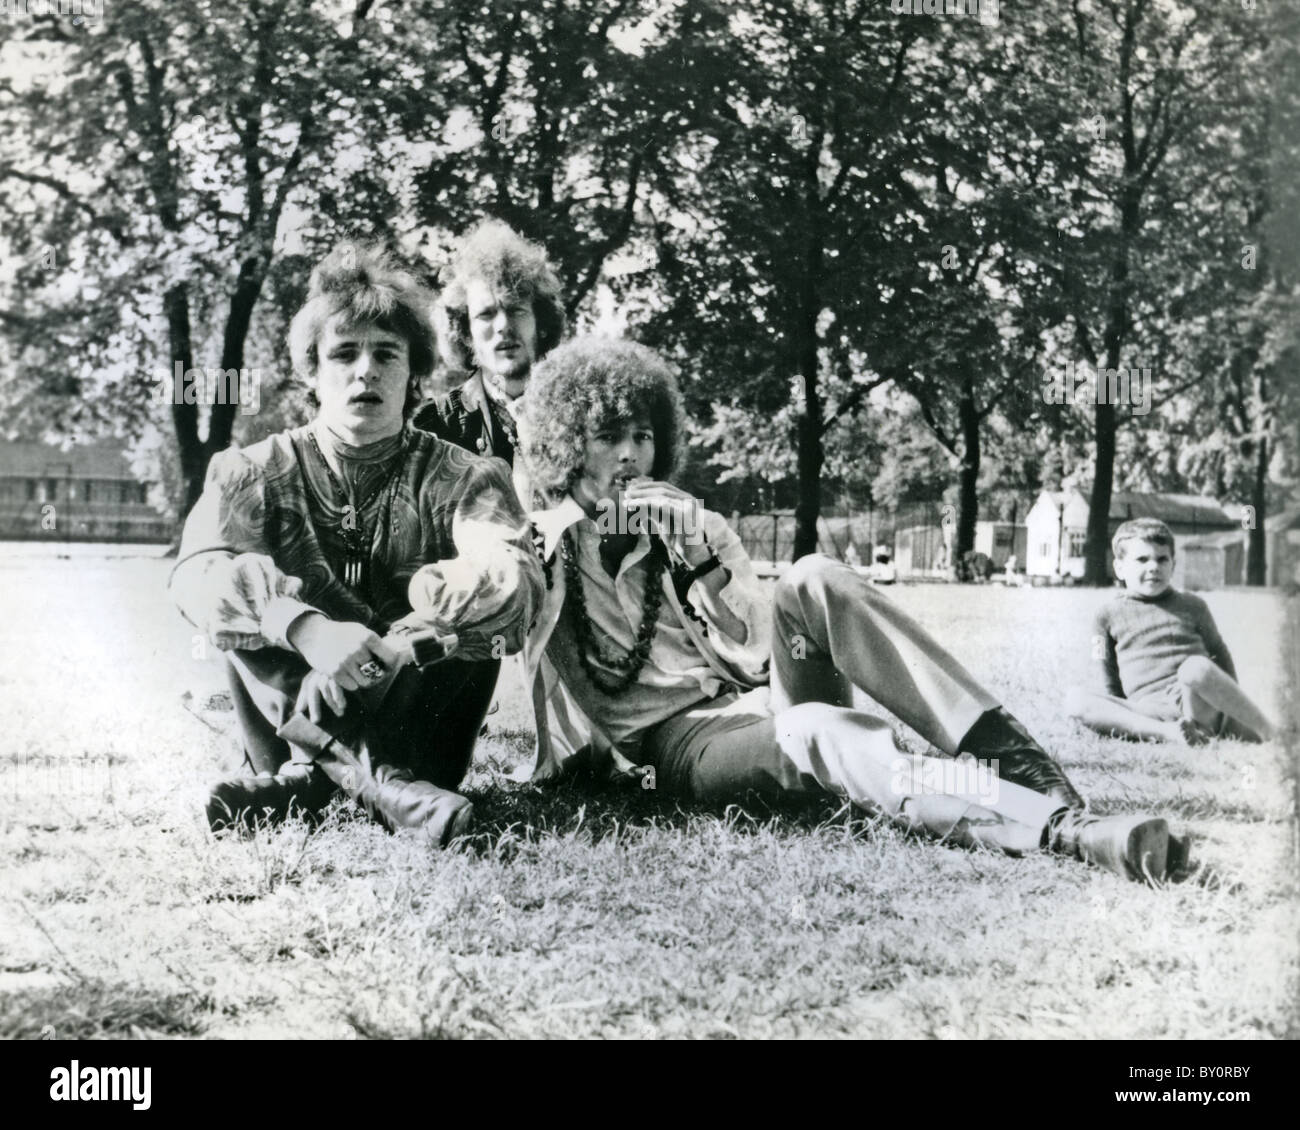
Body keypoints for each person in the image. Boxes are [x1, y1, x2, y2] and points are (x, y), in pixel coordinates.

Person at [415, 337, 1192, 883]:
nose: (629, 457)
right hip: (680, 744)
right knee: (822, 731)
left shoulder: (694, 525)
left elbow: (757, 644)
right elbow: (499, 598)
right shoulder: (544, 546)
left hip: (756, 698)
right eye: (607, 436)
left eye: (643, 438)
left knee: (816, 574)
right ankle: (1064, 831)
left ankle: (1028, 771)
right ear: (563, 448)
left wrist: (703, 557)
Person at [170, 242, 543, 844]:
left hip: (422, 732)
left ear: (413, 375)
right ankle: (384, 789)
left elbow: (515, 581)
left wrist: (394, 649)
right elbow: (196, 575)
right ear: (313, 373)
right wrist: (306, 630)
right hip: (292, 715)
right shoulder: (251, 471)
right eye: (344, 353)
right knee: (235, 598)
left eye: (386, 355)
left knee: (478, 619)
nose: (365, 370)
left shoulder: (468, 477)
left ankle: (306, 787)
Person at [1065, 518, 1275, 745]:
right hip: (1149, 712)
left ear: (1173, 565)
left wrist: (1229, 702)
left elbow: (1219, 652)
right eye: (1142, 559)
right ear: (1120, 567)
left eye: (1162, 559)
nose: (1153, 566)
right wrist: (1115, 715)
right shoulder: (1105, 615)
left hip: (1197, 703)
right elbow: (1106, 671)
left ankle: (1271, 732)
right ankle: (1171, 734)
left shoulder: (1193, 605)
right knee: (1075, 699)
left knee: (1196, 667)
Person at [412, 219, 566, 482]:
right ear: (466, 334)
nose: (503, 326)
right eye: (486, 315)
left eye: (516, 309)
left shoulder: (579, 413)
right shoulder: (433, 427)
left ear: (541, 323)